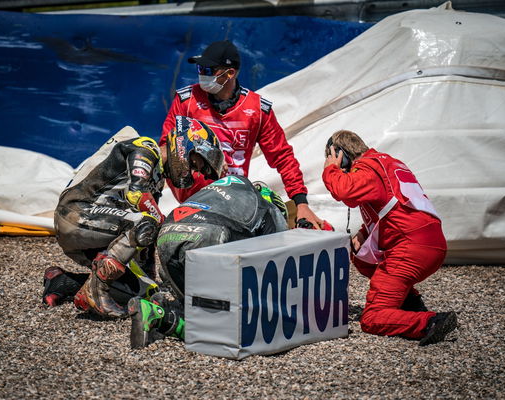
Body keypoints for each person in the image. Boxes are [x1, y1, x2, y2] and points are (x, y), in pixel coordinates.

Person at [43, 118, 224, 318]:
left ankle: (63, 281)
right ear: (184, 145)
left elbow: (145, 243)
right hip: (76, 214)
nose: (191, 172)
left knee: (143, 291)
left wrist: (150, 282)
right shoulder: (146, 147)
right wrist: (166, 227)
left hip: (96, 229)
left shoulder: (157, 179)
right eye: (193, 163)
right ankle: (96, 290)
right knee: (149, 222)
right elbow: (136, 195)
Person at [159, 39, 325, 229]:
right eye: (199, 70)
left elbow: (283, 157)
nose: (201, 76)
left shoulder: (257, 110)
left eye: (207, 71)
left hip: (233, 199)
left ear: (230, 73)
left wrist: (301, 203)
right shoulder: (186, 101)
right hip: (192, 201)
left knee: (280, 213)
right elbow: (165, 147)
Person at [322, 130, 457, 346]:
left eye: (333, 156)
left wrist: (331, 169)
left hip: (410, 248)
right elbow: (394, 205)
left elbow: (344, 191)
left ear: (341, 154)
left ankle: (430, 322)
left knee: (372, 318)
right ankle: (410, 303)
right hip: (430, 243)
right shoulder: (388, 163)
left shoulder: (367, 168)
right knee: (362, 257)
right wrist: (364, 232)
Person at [127, 175, 289, 348]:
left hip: (168, 233)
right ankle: (169, 318)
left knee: (202, 311)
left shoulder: (230, 191)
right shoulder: (269, 207)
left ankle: (163, 310)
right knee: (233, 327)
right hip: (210, 233)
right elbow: (276, 260)